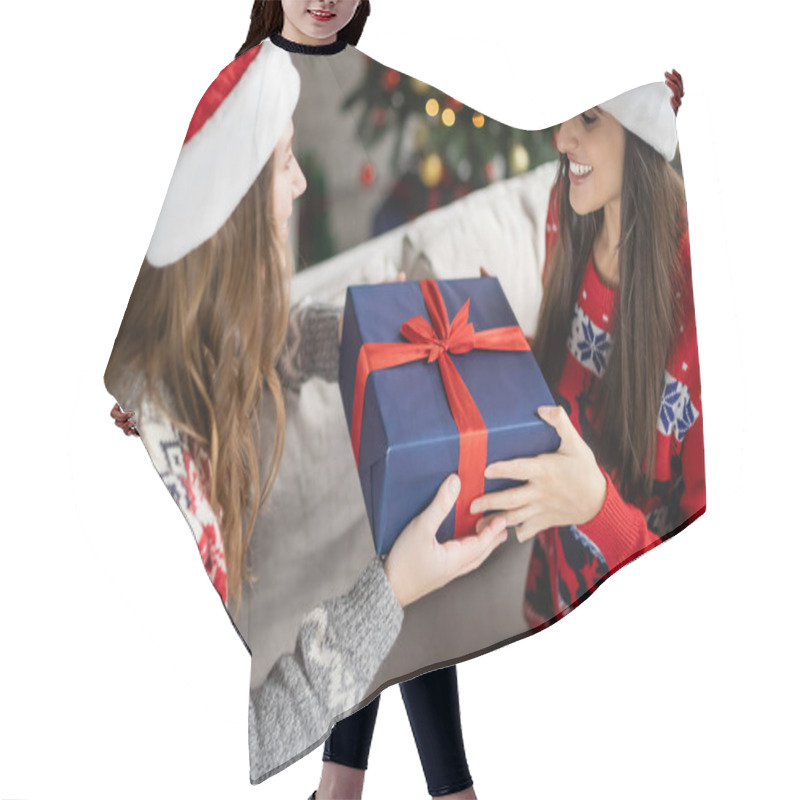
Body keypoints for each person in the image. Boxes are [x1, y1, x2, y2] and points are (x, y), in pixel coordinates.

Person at [104, 29, 508, 786]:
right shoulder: (181, 415)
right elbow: (271, 712)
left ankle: (354, 785)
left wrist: (393, 330)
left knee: (389, 515)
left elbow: (275, 343)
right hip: (242, 700)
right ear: (241, 204)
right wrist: (391, 588)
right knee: (393, 541)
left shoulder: (222, 334)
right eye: (286, 163)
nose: (300, 186)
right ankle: (418, 787)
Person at [471, 70, 706, 628]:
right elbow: (571, 383)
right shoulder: (569, 210)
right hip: (549, 596)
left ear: (643, 135)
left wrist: (596, 509)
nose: (560, 138)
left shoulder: (701, 297)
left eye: (590, 118)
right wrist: (499, 349)